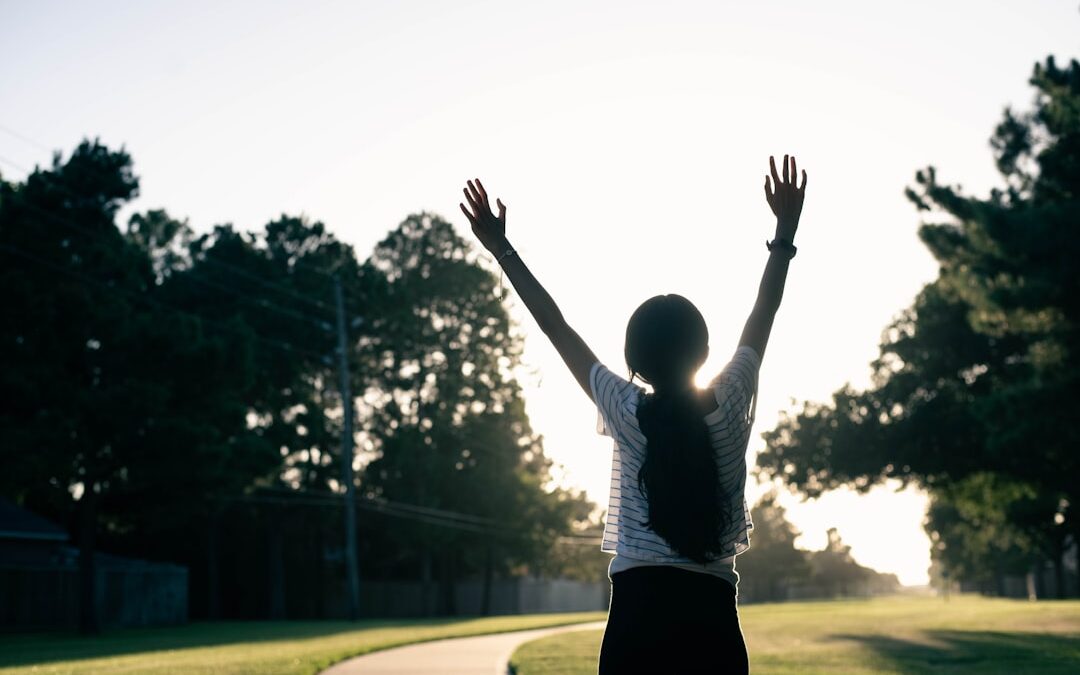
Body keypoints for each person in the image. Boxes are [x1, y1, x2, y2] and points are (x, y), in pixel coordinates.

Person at [459, 155, 807, 674]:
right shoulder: (733, 398)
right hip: (712, 620)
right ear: (705, 350)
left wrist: (502, 248)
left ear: (635, 361)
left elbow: (557, 327)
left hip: (636, 619)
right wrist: (785, 230)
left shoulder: (624, 408)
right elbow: (764, 310)